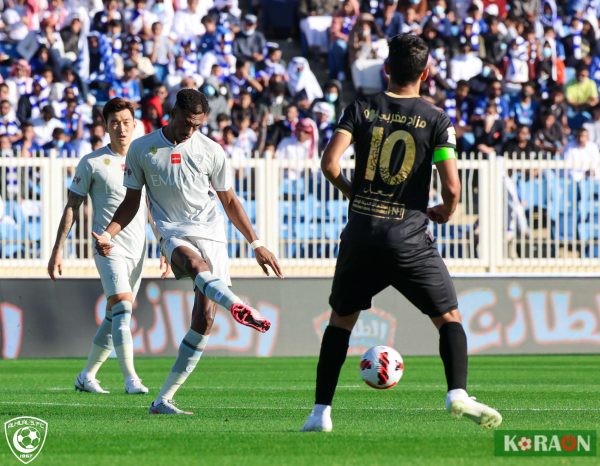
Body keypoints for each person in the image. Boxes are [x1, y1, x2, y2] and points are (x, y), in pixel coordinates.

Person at [300, 34, 502, 432]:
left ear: (386, 68)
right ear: (426, 73)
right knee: (448, 317)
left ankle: (320, 413)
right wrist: (446, 210)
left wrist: (353, 193)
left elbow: (329, 163)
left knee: (341, 321)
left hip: (361, 234)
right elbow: (453, 187)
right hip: (409, 238)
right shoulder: (437, 121)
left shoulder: (360, 107)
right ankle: (457, 394)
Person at [93, 89, 283, 415]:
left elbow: (230, 201)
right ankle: (238, 306)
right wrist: (109, 233)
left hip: (211, 232)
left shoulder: (211, 150)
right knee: (195, 264)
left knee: (205, 317)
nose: (190, 130)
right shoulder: (142, 149)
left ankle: (163, 399)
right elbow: (130, 202)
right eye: (187, 123)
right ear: (173, 113)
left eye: (197, 125)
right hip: (173, 232)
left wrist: (256, 243)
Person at [47, 98, 164, 395]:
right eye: (114, 123)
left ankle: (87, 375)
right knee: (123, 309)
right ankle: (131, 379)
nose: (121, 128)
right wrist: (57, 250)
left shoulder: (143, 159)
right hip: (106, 247)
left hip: (138, 250)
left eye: (126, 122)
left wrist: (162, 242)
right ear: (105, 126)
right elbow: (72, 206)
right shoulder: (93, 162)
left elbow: (151, 207)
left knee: (115, 316)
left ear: (135, 124)